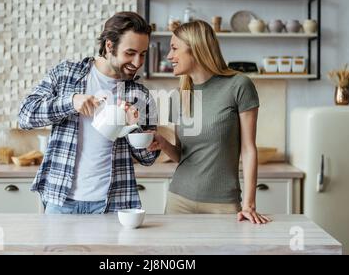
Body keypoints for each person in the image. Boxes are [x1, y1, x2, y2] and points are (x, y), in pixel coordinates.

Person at [19, 12, 160, 214]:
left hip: (113, 203)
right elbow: (25, 115)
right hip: (61, 200)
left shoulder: (140, 95)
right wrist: (70, 102)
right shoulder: (66, 74)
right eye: (130, 53)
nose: (137, 62)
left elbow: (148, 158)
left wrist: (133, 128)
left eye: (143, 54)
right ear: (110, 46)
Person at [147, 20, 271, 224]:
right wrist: (161, 142)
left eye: (174, 48)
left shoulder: (239, 85)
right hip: (178, 201)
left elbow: (248, 149)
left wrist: (249, 204)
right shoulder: (179, 96)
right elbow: (182, 155)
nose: (169, 56)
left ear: (195, 48)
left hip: (222, 205)